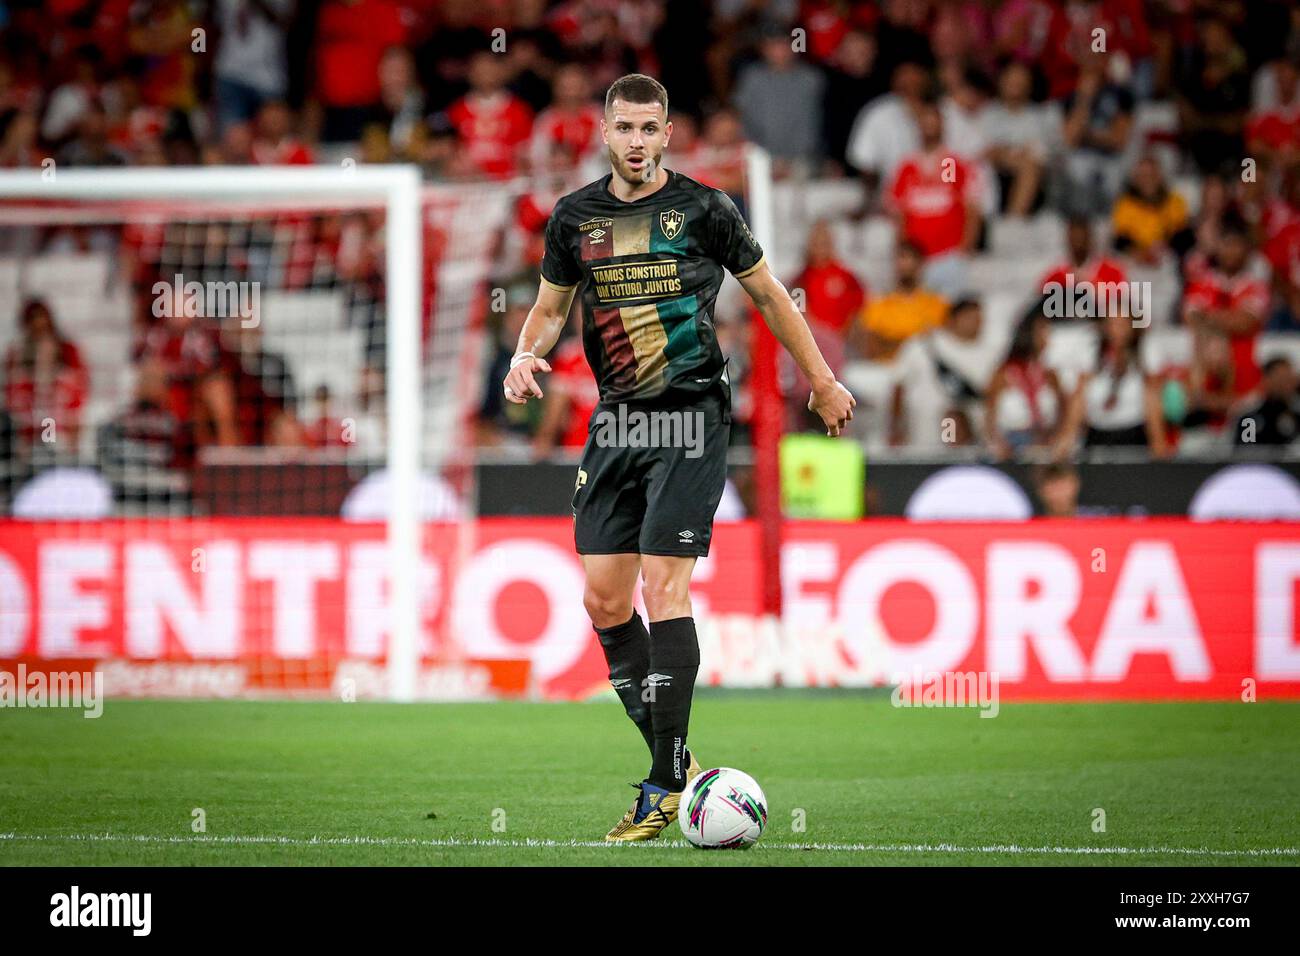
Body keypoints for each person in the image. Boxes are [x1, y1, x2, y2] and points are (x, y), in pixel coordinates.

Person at [501, 74, 854, 842]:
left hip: (692, 421)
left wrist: (822, 382)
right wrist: (525, 355)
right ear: (604, 133)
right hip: (618, 424)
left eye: (649, 128)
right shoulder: (575, 218)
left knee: (665, 587)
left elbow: (770, 296)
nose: (635, 141)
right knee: (603, 601)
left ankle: (661, 784)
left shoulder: (705, 210)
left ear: (667, 135)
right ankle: (678, 760)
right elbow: (551, 307)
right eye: (623, 128)